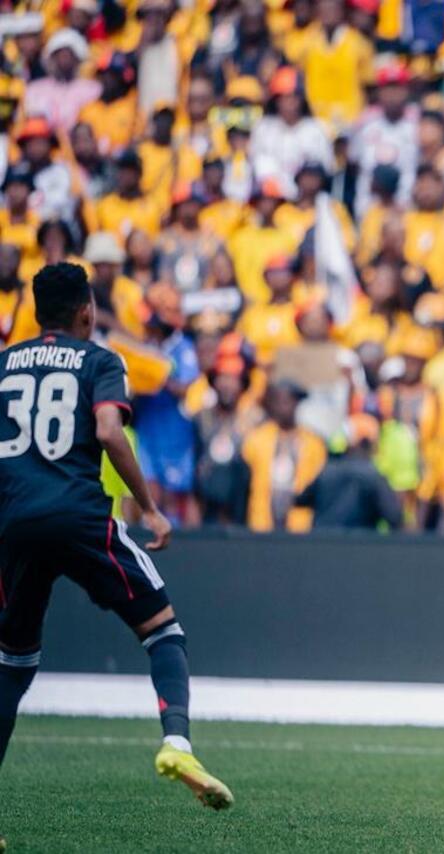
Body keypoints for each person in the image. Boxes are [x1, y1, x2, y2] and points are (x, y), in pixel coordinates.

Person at [0, 263, 233, 813]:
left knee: (12, 665)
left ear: (37, 314)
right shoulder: (101, 359)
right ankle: (177, 743)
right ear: (88, 311)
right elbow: (108, 429)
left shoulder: (5, 364)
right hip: (80, 516)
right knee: (163, 632)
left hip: (14, 524)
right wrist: (150, 508)